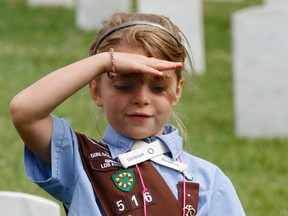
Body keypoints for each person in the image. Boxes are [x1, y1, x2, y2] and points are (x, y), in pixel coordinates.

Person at [10, 12, 245, 216]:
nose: (141, 98)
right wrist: (105, 62)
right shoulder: (80, 162)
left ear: (177, 91)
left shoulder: (209, 180)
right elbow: (25, 111)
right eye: (124, 85)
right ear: (96, 90)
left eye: (157, 87)